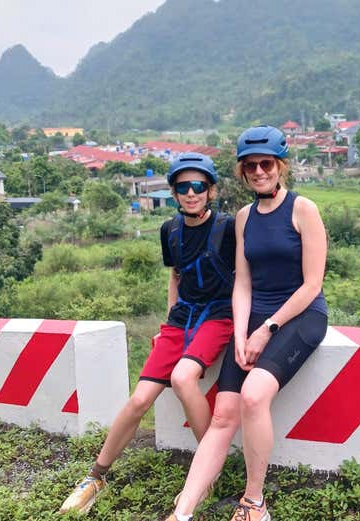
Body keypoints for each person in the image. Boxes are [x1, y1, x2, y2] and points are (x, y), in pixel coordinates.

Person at [166, 126, 328, 521]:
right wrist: (240, 332)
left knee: (254, 396)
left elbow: (312, 285)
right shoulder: (243, 218)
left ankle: (254, 502)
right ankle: (182, 511)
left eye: (266, 164)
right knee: (223, 414)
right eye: (250, 166)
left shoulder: (302, 209)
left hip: (300, 316)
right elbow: (242, 282)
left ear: (280, 166)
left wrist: (266, 328)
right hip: (254, 318)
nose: (258, 171)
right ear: (242, 172)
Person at [60, 152, 236, 514]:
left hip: (218, 317)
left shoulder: (227, 228)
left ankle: (208, 472)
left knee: (184, 378)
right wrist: (169, 321)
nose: (191, 193)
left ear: (211, 191)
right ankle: (95, 477)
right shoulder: (169, 230)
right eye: (183, 187)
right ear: (173, 193)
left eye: (198, 186)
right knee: (139, 399)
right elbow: (176, 275)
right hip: (180, 321)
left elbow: (246, 276)